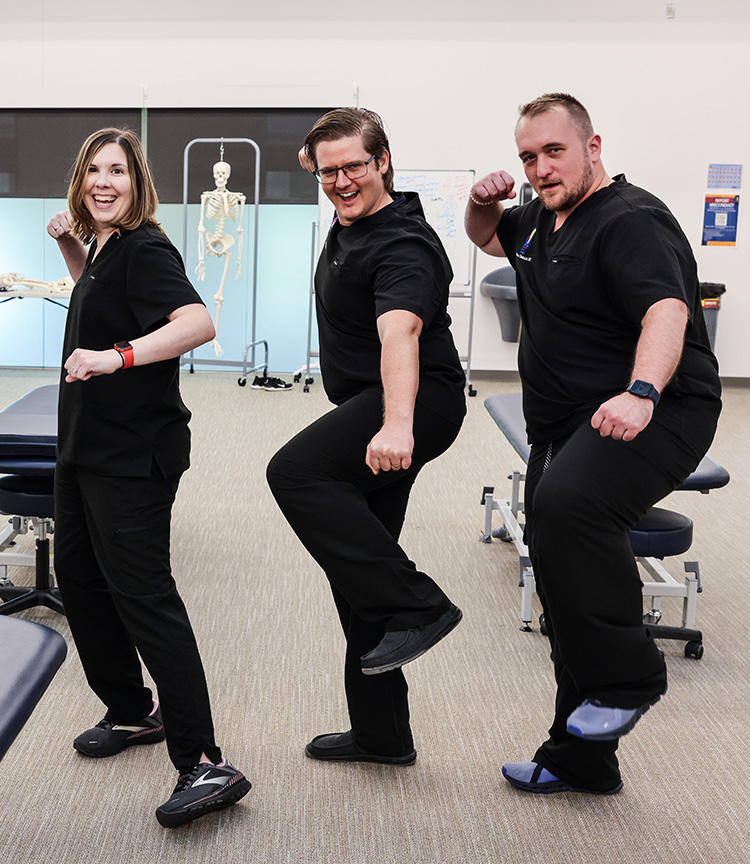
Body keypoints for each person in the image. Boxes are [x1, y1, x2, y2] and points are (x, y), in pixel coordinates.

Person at [465, 93, 721, 795]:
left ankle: (629, 678)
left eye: (554, 151)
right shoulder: (540, 221)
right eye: (527, 157)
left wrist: (641, 392)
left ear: (592, 145)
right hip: (566, 422)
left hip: (657, 408)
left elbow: (666, 309)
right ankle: (581, 760)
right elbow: (485, 236)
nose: (541, 168)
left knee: (572, 508)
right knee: (559, 570)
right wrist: (482, 201)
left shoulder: (629, 219)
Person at [48, 127, 251, 827]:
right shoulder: (105, 247)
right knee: (77, 578)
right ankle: (135, 712)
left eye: (118, 172)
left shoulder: (146, 245)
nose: (105, 182)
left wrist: (119, 357)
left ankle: (204, 761)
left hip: (133, 453)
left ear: (138, 185)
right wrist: (72, 247)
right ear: (80, 181)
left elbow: (197, 322)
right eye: (94, 171)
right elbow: (99, 295)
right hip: (83, 445)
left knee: (144, 597)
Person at [267, 108, 466, 765]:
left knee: (295, 472)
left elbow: (401, 334)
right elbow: (327, 161)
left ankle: (421, 605)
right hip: (373, 402)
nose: (341, 181)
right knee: (357, 564)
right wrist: (317, 156)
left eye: (355, 165)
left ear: (384, 161)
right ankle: (384, 734)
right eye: (328, 171)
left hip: (414, 402)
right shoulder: (352, 214)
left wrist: (397, 423)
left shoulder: (403, 245)